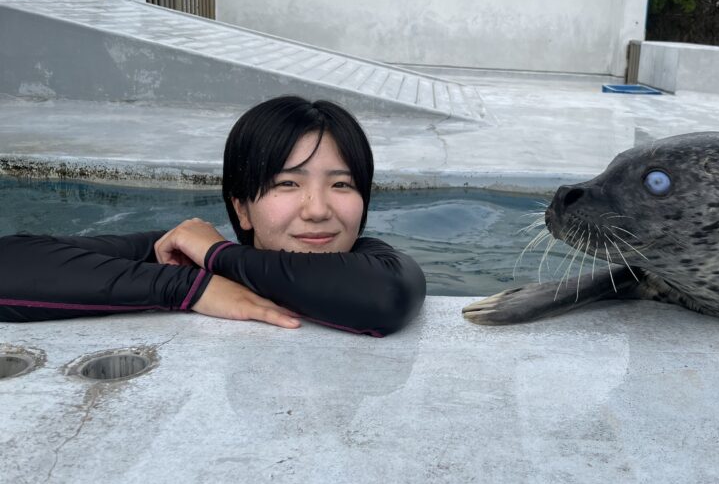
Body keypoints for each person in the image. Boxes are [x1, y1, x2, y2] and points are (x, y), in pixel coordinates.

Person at [0, 96, 425, 336]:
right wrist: (190, 286)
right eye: (287, 184)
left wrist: (221, 256)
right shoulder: (183, 256)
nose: (318, 210)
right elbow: (13, 263)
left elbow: (384, 298)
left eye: (342, 184)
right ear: (241, 207)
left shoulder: (370, 261)